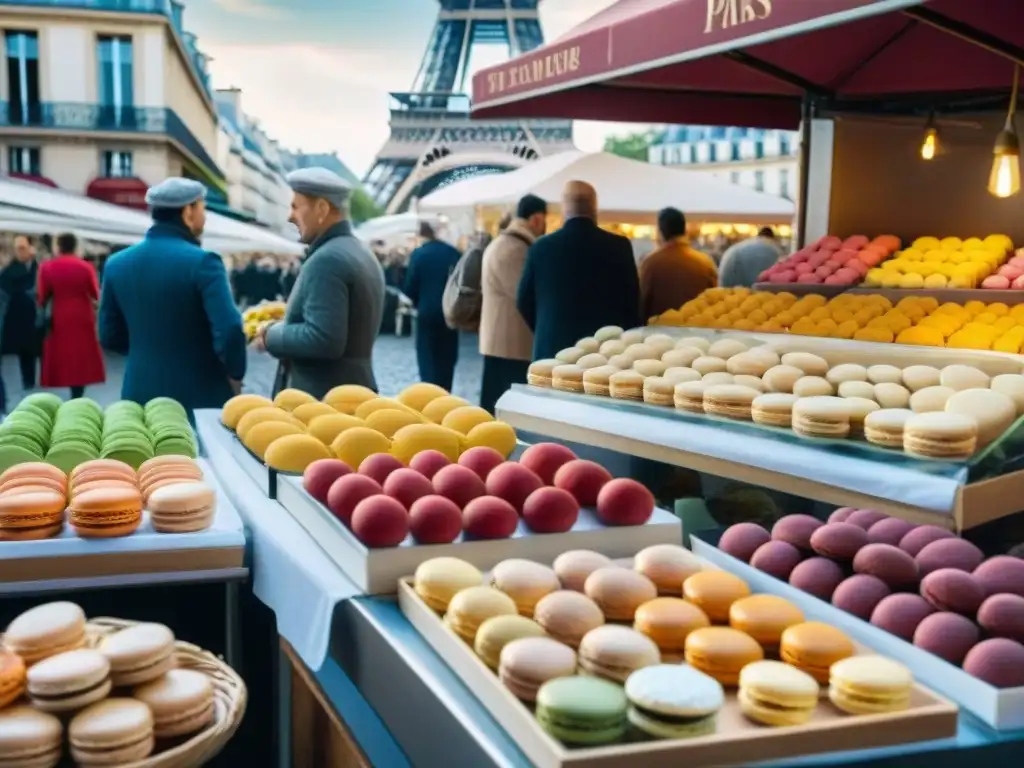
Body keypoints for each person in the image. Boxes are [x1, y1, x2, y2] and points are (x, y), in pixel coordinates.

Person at [99, 178, 246, 412]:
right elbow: (229, 329)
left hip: (139, 392)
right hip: (199, 395)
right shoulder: (204, 262)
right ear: (188, 211)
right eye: (203, 208)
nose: (205, 217)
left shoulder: (116, 264)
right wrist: (235, 375)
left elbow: (108, 335)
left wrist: (149, 350)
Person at [251, 167, 385, 397]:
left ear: (322, 209)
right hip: (352, 393)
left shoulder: (327, 260)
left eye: (295, 206)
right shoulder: (359, 251)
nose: (289, 216)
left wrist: (270, 334)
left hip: (324, 401)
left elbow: (322, 339)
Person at [517, 181, 640, 360]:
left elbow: (523, 301)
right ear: (595, 207)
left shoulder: (541, 248)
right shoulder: (619, 246)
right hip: (605, 354)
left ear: (563, 209)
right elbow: (633, 302)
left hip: (553, 352)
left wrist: (548, 326)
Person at [479, 194, 547, 413]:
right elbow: (525, 295)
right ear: (536, 219)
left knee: (495, 401)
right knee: (505, 409)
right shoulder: (516, 248)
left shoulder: (506, 242)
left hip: (501, 339)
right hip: (511, 342)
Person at [39, 233, 105, 399]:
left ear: (58, 246)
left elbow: (42, 296)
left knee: (64, 353)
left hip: (59, 313)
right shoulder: (85, 267)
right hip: (82, 314)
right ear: (75, 246)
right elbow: (95, 293)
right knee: (81, 354)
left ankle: (66, 385)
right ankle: (78, 390)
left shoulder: (47, 267)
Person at [404, 221, 461, 390]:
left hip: (426, 313)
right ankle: (445, 392)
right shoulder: (452, 252)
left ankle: (430, 397)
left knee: (427, 360)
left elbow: (409, 287)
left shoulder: (419, 254)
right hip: (450, 313)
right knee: (447, 361)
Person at [639, 208, 718, 321]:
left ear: (660, 232)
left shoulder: (650, 263)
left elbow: (642, 304)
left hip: (659, 332)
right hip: (698, 330)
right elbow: (715, 300)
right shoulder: (704, 262)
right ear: (684, 230)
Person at [0, 235, 39, 390]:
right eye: (16, 248)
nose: (19, 252)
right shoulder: (9, 271)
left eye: (22, 248)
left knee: (32, 350)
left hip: (34, 316)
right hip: (15, 316)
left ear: (31, 248)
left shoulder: (39, 267)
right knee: (20, 349)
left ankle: (31, 380)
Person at [719, 226, 785, 288]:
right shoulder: (775, 250)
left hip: (728, 285)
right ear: (772, 237)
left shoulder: (740, 246)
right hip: (758, 294)